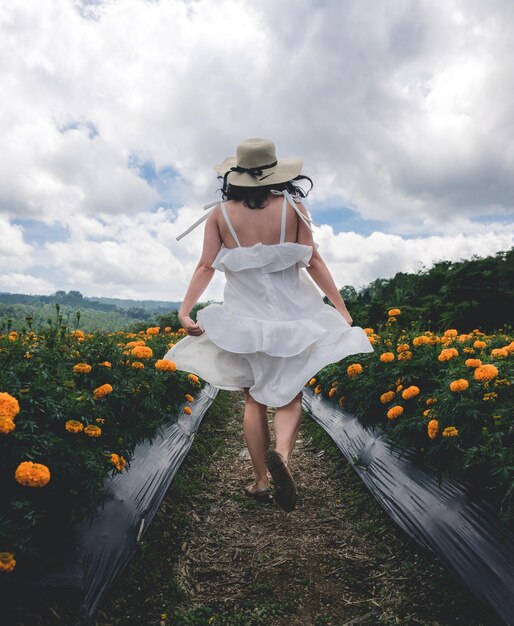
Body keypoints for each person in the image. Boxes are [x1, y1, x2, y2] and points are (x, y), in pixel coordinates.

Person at [163, 138, 374, 512]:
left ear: (236, 175)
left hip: (243, 319)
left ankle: (261, 480)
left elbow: (205, 266)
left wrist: (185, 311)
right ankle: (283, 457)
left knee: (252, 398)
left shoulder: (220, 214)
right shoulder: (292, 207)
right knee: (291, 396)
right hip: (293, 317)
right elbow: (314, 262)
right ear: (275, 172)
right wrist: (341, 309)